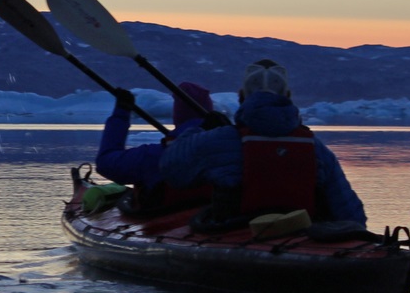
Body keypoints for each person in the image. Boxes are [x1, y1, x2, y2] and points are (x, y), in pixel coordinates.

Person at [156, 59, 366, 229]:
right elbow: (351, 214)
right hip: (303, 238)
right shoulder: (317, 149)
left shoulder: (218, 140)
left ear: (241, 97)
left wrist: (201, 129)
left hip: (231, 234)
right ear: (288, 97)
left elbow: (172, 170)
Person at [95, 80, 216, 211]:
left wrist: (121, 114)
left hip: (166, 214)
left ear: (177, 115)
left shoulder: (155, 156)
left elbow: (105, 162)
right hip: (214, 214)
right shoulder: (228, 148)